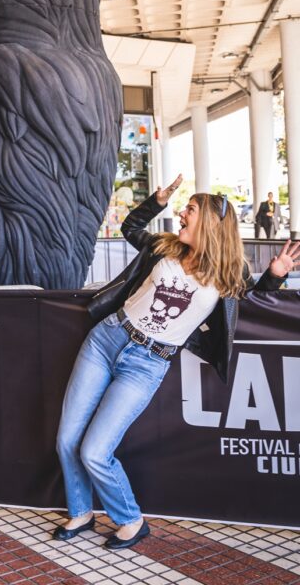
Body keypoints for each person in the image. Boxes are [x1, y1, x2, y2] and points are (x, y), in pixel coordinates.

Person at [53, 174, 298, 550]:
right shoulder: (163, 246)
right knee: (67, 439)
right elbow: (130, 226)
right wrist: (158, 201)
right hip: (107, 339)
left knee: (94, 450)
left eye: (191, 209)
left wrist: (274, 277)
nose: (182, 213)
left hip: (147, 363)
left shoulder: (228, 275)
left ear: (211, 223)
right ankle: (81, 511)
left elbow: (249, 306)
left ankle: (131, 521)